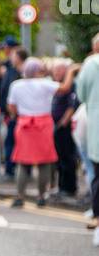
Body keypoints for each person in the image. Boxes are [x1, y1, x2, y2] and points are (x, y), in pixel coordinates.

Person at [7, 57, 58, 207]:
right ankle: (41, 196)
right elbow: (64, 88)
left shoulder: (16, 85)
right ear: (37, 70)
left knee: (22, 162)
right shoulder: (45, 83)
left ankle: (19, 196)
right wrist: (72, 71)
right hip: (43, 124)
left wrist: (20, 114)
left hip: (24, 124)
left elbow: (11, 106)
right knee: (44, 162)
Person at [75, 37, 99, 246]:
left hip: (96, 128)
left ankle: (98, 219)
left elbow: (81, 94)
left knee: (97, 175)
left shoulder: (91, 64)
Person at [50, 59, 79, 199]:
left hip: (64, 127)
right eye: (54, 69)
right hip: (56, 127)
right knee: (59, 158)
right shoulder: (58, 85)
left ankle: (69, 188)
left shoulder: (70, 85)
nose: (55, 72)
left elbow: (72, 106)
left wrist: (62, 123)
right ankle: (61, 187)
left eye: (58, 70)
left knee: (67, 157)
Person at [0, 42, 27, 177]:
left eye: (13, 55)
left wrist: (12, 113)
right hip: (9, 113)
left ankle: (12, 170)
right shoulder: (10, 70)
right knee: (9, 142)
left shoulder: (20, 73)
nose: (10, 57)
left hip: (15, 115)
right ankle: (10, 169)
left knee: (13, 142)